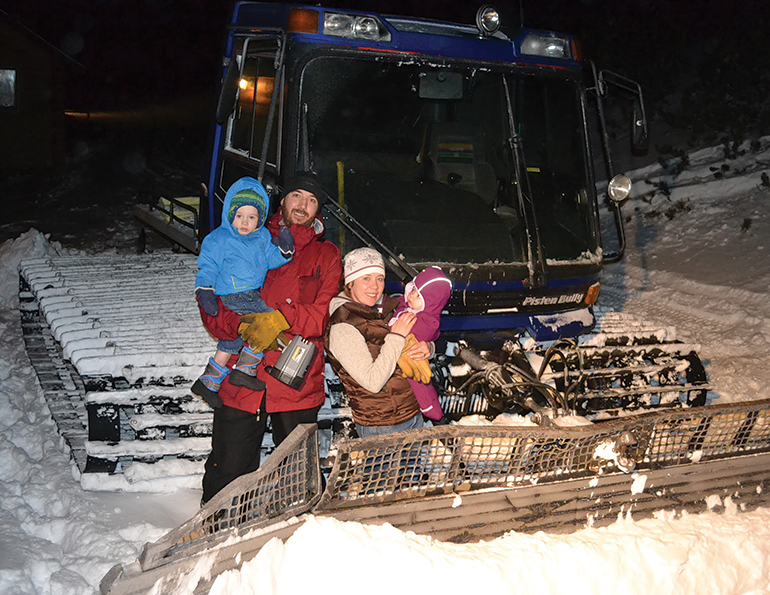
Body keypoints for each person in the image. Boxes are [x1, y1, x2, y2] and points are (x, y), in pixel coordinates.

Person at [197, 173, 342, 504]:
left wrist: (282, 318)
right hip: (241, 380)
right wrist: (242, 323)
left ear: (318, 210)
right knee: (227, 474)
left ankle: (294, 542)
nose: (302, 206)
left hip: (295, 382)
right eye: (296, 196)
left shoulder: (327, 255)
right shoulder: (242, 234)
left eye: (311, 200)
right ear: (283, 200)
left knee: (298, 479)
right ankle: (217, 539)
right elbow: (213, 309)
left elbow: (322, 315)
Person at [192, 177, 295, 407]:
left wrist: (284, 251)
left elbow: (271, 259)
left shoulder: (262, 238)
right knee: (268, 324)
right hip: (232, 295)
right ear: (230, 214)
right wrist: (205, 291)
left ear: (260, 219)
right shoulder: (220, 239)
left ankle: (209, 381)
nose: (244, 222)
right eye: (239, 216)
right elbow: (207, 266)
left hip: (251, 295)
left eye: (251, 217)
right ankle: (245, 370)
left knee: (233, 340)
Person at [324, 247, 433, 438]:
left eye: (379, 278)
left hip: (412, 415)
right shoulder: (343, 327)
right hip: (381, 426)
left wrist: (429, 348)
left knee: (414, 469)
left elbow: (422, 332)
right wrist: (397, 337)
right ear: (350, 282)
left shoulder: (389, 309)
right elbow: (372, 382)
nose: (374, 286)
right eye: (366, 278)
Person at [389, 266, 452, 421]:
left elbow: (416, 335)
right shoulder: (408, 305)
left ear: (429, 303)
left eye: (418, 296)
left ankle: (432, 411)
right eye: (413, 290)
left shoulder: (426, 321)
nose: (411, 296)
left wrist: (391, 330)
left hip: (409, 356)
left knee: (418, 379)